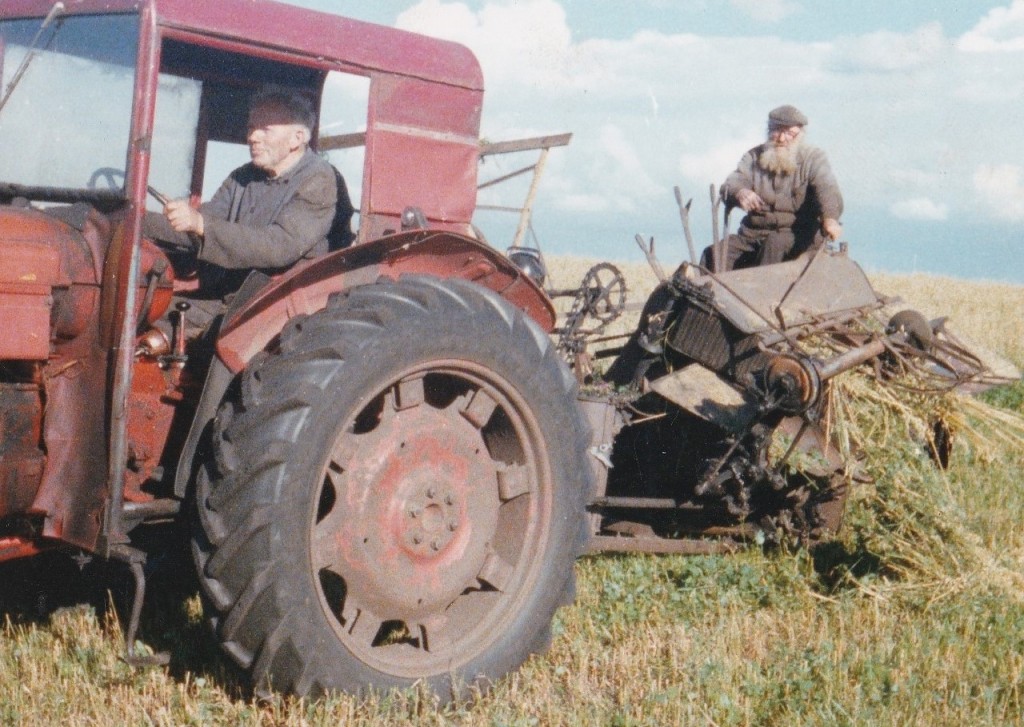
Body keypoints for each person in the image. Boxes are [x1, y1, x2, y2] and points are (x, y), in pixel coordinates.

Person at [142, 88, 353, 349]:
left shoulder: (320, 179)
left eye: (265, 129)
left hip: (273, 308)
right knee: (141, 308)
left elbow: (280, 245)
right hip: (225, 296)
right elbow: (204, 221)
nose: (252, 137)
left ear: (296, 138)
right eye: (252, 127)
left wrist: (199, 224)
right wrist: (140, 220)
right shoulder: (243, 176)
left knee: (159, 336)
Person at [703, 104, 843, 271]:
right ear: (769, 130)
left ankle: (756, 296)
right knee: (714, 253)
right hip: (752, 235)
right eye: (777, 130)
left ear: (800, 134)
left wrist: (830, 219)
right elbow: (732, 183)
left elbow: (827, 188)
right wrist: (740, 192)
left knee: (774, 244)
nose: (782, 139)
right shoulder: (753, 156)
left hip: (797, 236)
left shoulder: (813, 158)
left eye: (790, 134)